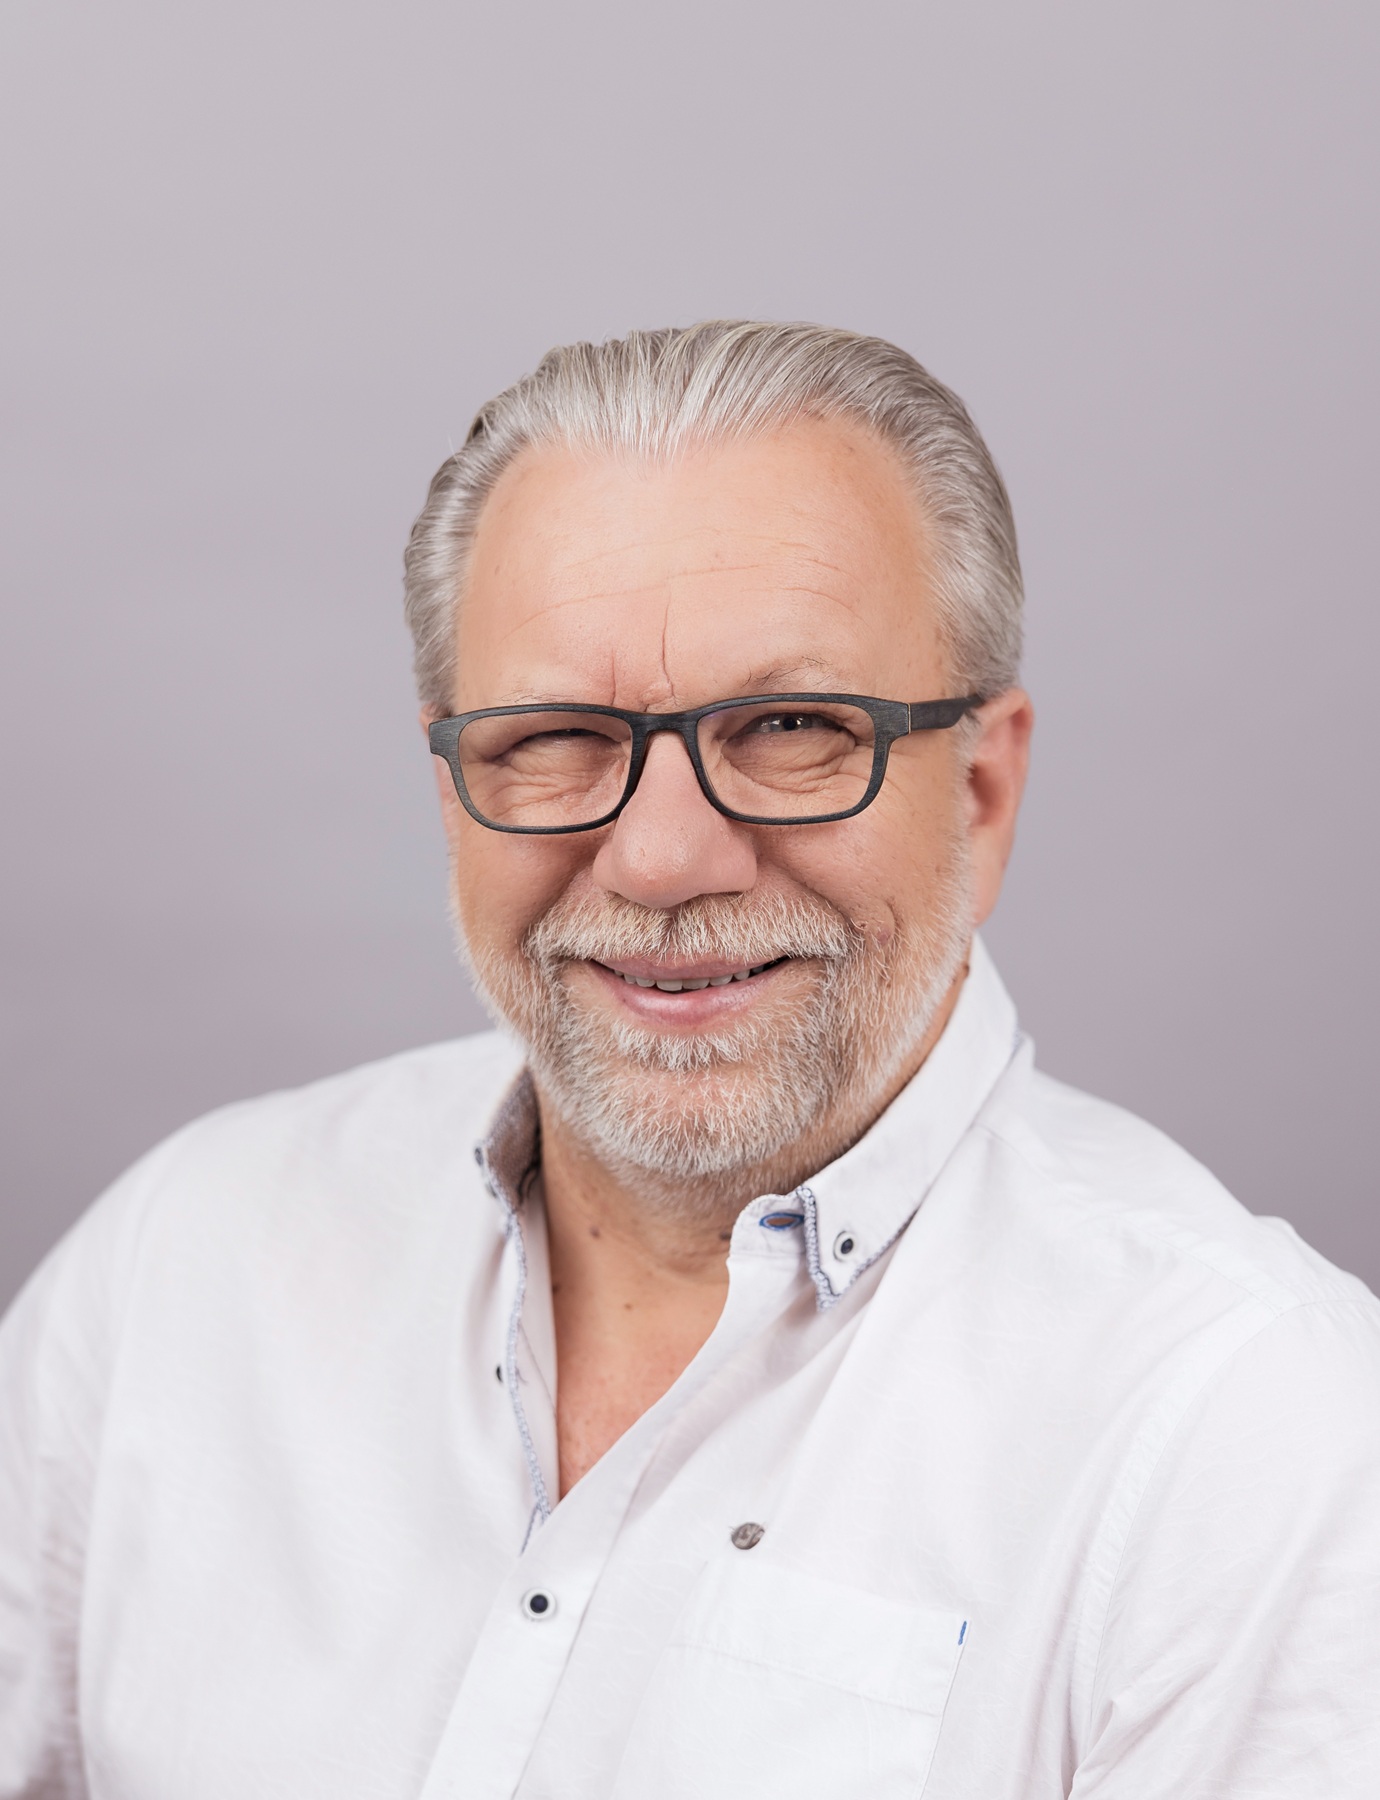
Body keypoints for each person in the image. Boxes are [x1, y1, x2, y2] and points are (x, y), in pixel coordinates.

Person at [2, 322, 1377, 1799]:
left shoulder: (1246, 1430)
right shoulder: (178, 1266)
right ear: (454, 788)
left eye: (790, 726)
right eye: (556, 737)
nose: (661, 859)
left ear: (980, 794)